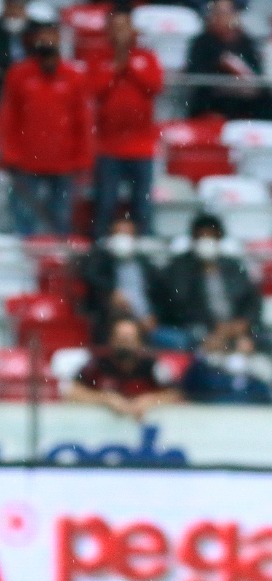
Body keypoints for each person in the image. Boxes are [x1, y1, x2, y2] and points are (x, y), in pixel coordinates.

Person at [0, 20, 91, 236]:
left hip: (64, 162)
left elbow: (83, 120)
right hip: (26, 162)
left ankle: (57, 265)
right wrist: (9, 154)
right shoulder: (19, 75)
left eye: (52, 37)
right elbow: (9, 118)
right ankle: (21, 267)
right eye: (43, 37)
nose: (47, 42)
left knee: (60, 220)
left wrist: (83, 158)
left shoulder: (74, 76)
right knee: (23, 219)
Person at [88, 11, 164, 237]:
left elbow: (154, 86)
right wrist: (116, 65)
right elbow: (95, 90)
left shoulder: (147, 57)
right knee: (105, 204)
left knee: (142, 205)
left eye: (124, 27)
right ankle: (100, 250)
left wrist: (127, 63)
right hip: (108, 146)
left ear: (132, 30)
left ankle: (144, 251)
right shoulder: (99, 58)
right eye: (116, 27)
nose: (120, 32)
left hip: (141, 146)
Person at [158, 214, 263, 348]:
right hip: (197, 329)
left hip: (235, 327)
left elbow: (252, 299)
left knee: (260, 341)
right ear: (194, 239)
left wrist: (243, 323)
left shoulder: (232, 266)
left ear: (219, 239)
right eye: (202, 236)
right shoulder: (179, 267)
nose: (206, 241)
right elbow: (180, 303)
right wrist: (201, 271)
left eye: (211, 236)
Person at [66, 317, 183, 421]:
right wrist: (105, 399)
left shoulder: (153, 367)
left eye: (129, 340)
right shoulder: (97, 365)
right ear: (112, 340)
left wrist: (151, 400)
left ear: (139, 343)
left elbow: (176, 393)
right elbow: (72, 392)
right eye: (120, 339)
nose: (125, 345)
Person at [184, 0, 272, 121]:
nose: (223, 18)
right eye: (218, 13)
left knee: (271, 102)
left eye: (227, 13)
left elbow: (256, 72)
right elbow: (195, 75)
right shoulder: (201, 42)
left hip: (244, 98)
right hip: (214, 96)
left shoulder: (245, 41)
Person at [80, 216, 171, 346]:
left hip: (148, 324)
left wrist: (154, 316)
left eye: (127, 234)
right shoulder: (101, 260)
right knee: (125, 336)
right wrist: (111, 291)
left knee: (179, 341)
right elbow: (90, 275)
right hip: (113, 324)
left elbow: (161, 295)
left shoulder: (144, 263)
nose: (123, 239)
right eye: (118, 234)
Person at [182, 331, 272, 405]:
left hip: (249, 398)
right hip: (221, 398)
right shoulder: (218, 359)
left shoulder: (260, 361)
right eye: (241, 343)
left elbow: (268, 381)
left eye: (247, 343)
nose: (244, 346)